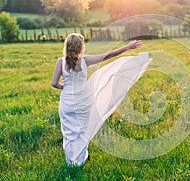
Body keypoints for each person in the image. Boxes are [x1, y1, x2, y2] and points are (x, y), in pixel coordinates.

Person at [51, 33, 151, 166]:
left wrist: (63, 86)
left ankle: (71, 162)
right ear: (80, 47)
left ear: (67, 46)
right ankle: (79, 160)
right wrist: (126, 47)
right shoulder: (85, 61)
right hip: (82, 104)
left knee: (69, 134)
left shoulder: (60, 62)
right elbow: (108, 55)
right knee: (82, 132)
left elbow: (54, 83)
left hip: (67, 104)